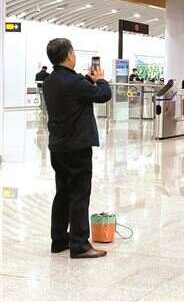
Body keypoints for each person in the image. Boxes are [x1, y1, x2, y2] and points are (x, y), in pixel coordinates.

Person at [42, 38, 112, 259]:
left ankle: (59, 239)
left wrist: (88, 80)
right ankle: (80, 244)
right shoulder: (74, 82)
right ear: (69, 54)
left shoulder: (50, 81)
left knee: (62, 192)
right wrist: (100, 80)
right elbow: (103, 95)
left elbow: (76, 91)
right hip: (77, 147)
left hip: (58, 146)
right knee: (79, 194)